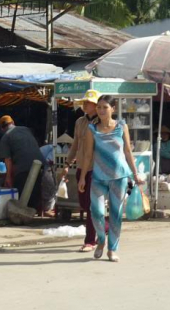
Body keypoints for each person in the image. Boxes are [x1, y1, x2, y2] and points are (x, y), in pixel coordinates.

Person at [79, 95, 145, 262]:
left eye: (105, 107)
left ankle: (112, 249)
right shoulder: (91, 129)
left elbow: (128, 152)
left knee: (115, 215)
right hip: (98, 177)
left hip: (120, 177)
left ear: (113, 109)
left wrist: (135, 174)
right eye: (99, 107)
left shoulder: (121, 127)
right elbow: (88, 155)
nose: (101, 110)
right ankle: (101, 240)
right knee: (97, 212)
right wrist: (82, 177)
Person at [62, 89, 101, 252]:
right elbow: (75, 145)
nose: (85, 105)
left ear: (96, 105)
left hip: (96, 169)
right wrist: (66, 163)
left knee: (92, 205)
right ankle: (105, 226)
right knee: (84, 204)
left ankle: (90, 241)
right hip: (80, 168)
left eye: (88, 102)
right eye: (84, 102)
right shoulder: (80, 122)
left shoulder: (103, 123)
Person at [0, 115, 47, 211]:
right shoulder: (26, 129)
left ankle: (24, 214)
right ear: (13, 123)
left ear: (2, 128)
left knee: (21, 194)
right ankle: (34, 212)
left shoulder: (6, 137)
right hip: (41, 165)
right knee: (35, 192)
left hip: (23, 168)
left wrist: (8, 177)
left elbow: (8, 160)